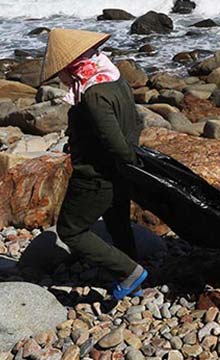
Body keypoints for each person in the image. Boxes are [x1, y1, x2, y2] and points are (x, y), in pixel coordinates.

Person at [40, 28, 147, 299]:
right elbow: (134, 122)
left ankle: (129, 272)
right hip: (118, 171)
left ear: (71, 65)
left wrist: (123, 160)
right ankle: (129, 265)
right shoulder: (113, 75)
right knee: (116, 219)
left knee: (70, 230)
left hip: (97, 173)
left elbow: (115, 143)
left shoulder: (93, 94)